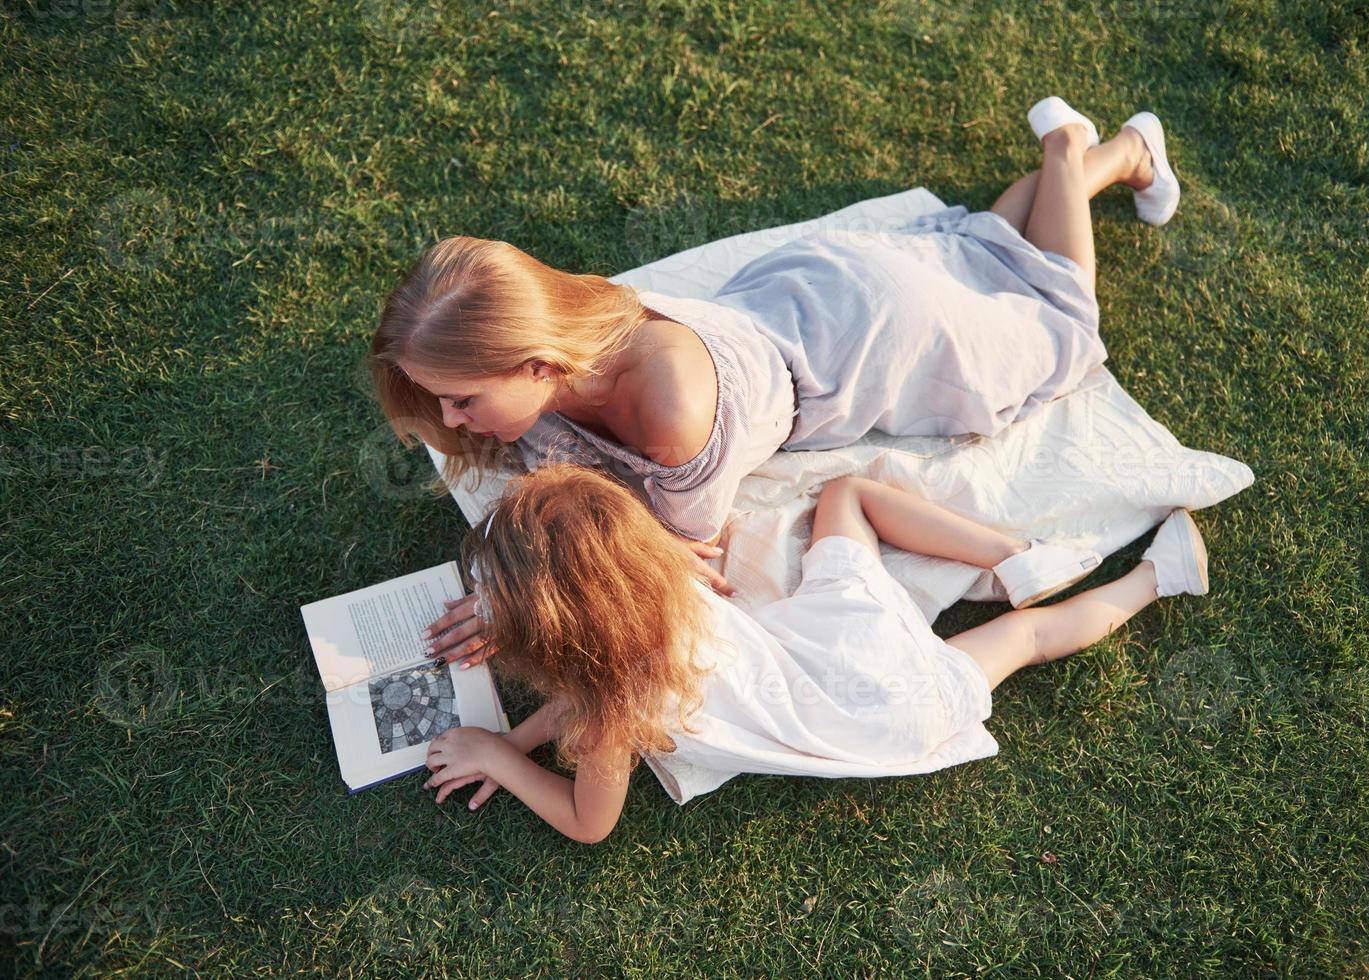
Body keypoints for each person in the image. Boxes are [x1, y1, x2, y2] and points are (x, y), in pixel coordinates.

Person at [368, 97, 1180, 605]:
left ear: (537, 365)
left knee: (1061, 325)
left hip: (872, 338)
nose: (449, 420)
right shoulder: (565, 323)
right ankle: (1122, 154)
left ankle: (1065, 150)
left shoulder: (672, 417)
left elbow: (678, 546)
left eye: (461, 399)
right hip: (806, 292)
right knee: (989, 251)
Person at [419, 464, 1209, 844]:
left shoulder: (609, 709)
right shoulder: (658, 588)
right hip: (844, 655)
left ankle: (1154, 577)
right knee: (848, 497)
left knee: (1023, 642)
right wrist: (513, 742)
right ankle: (1021, 558)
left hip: (893, 715)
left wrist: (499, 752)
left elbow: (587, 821)